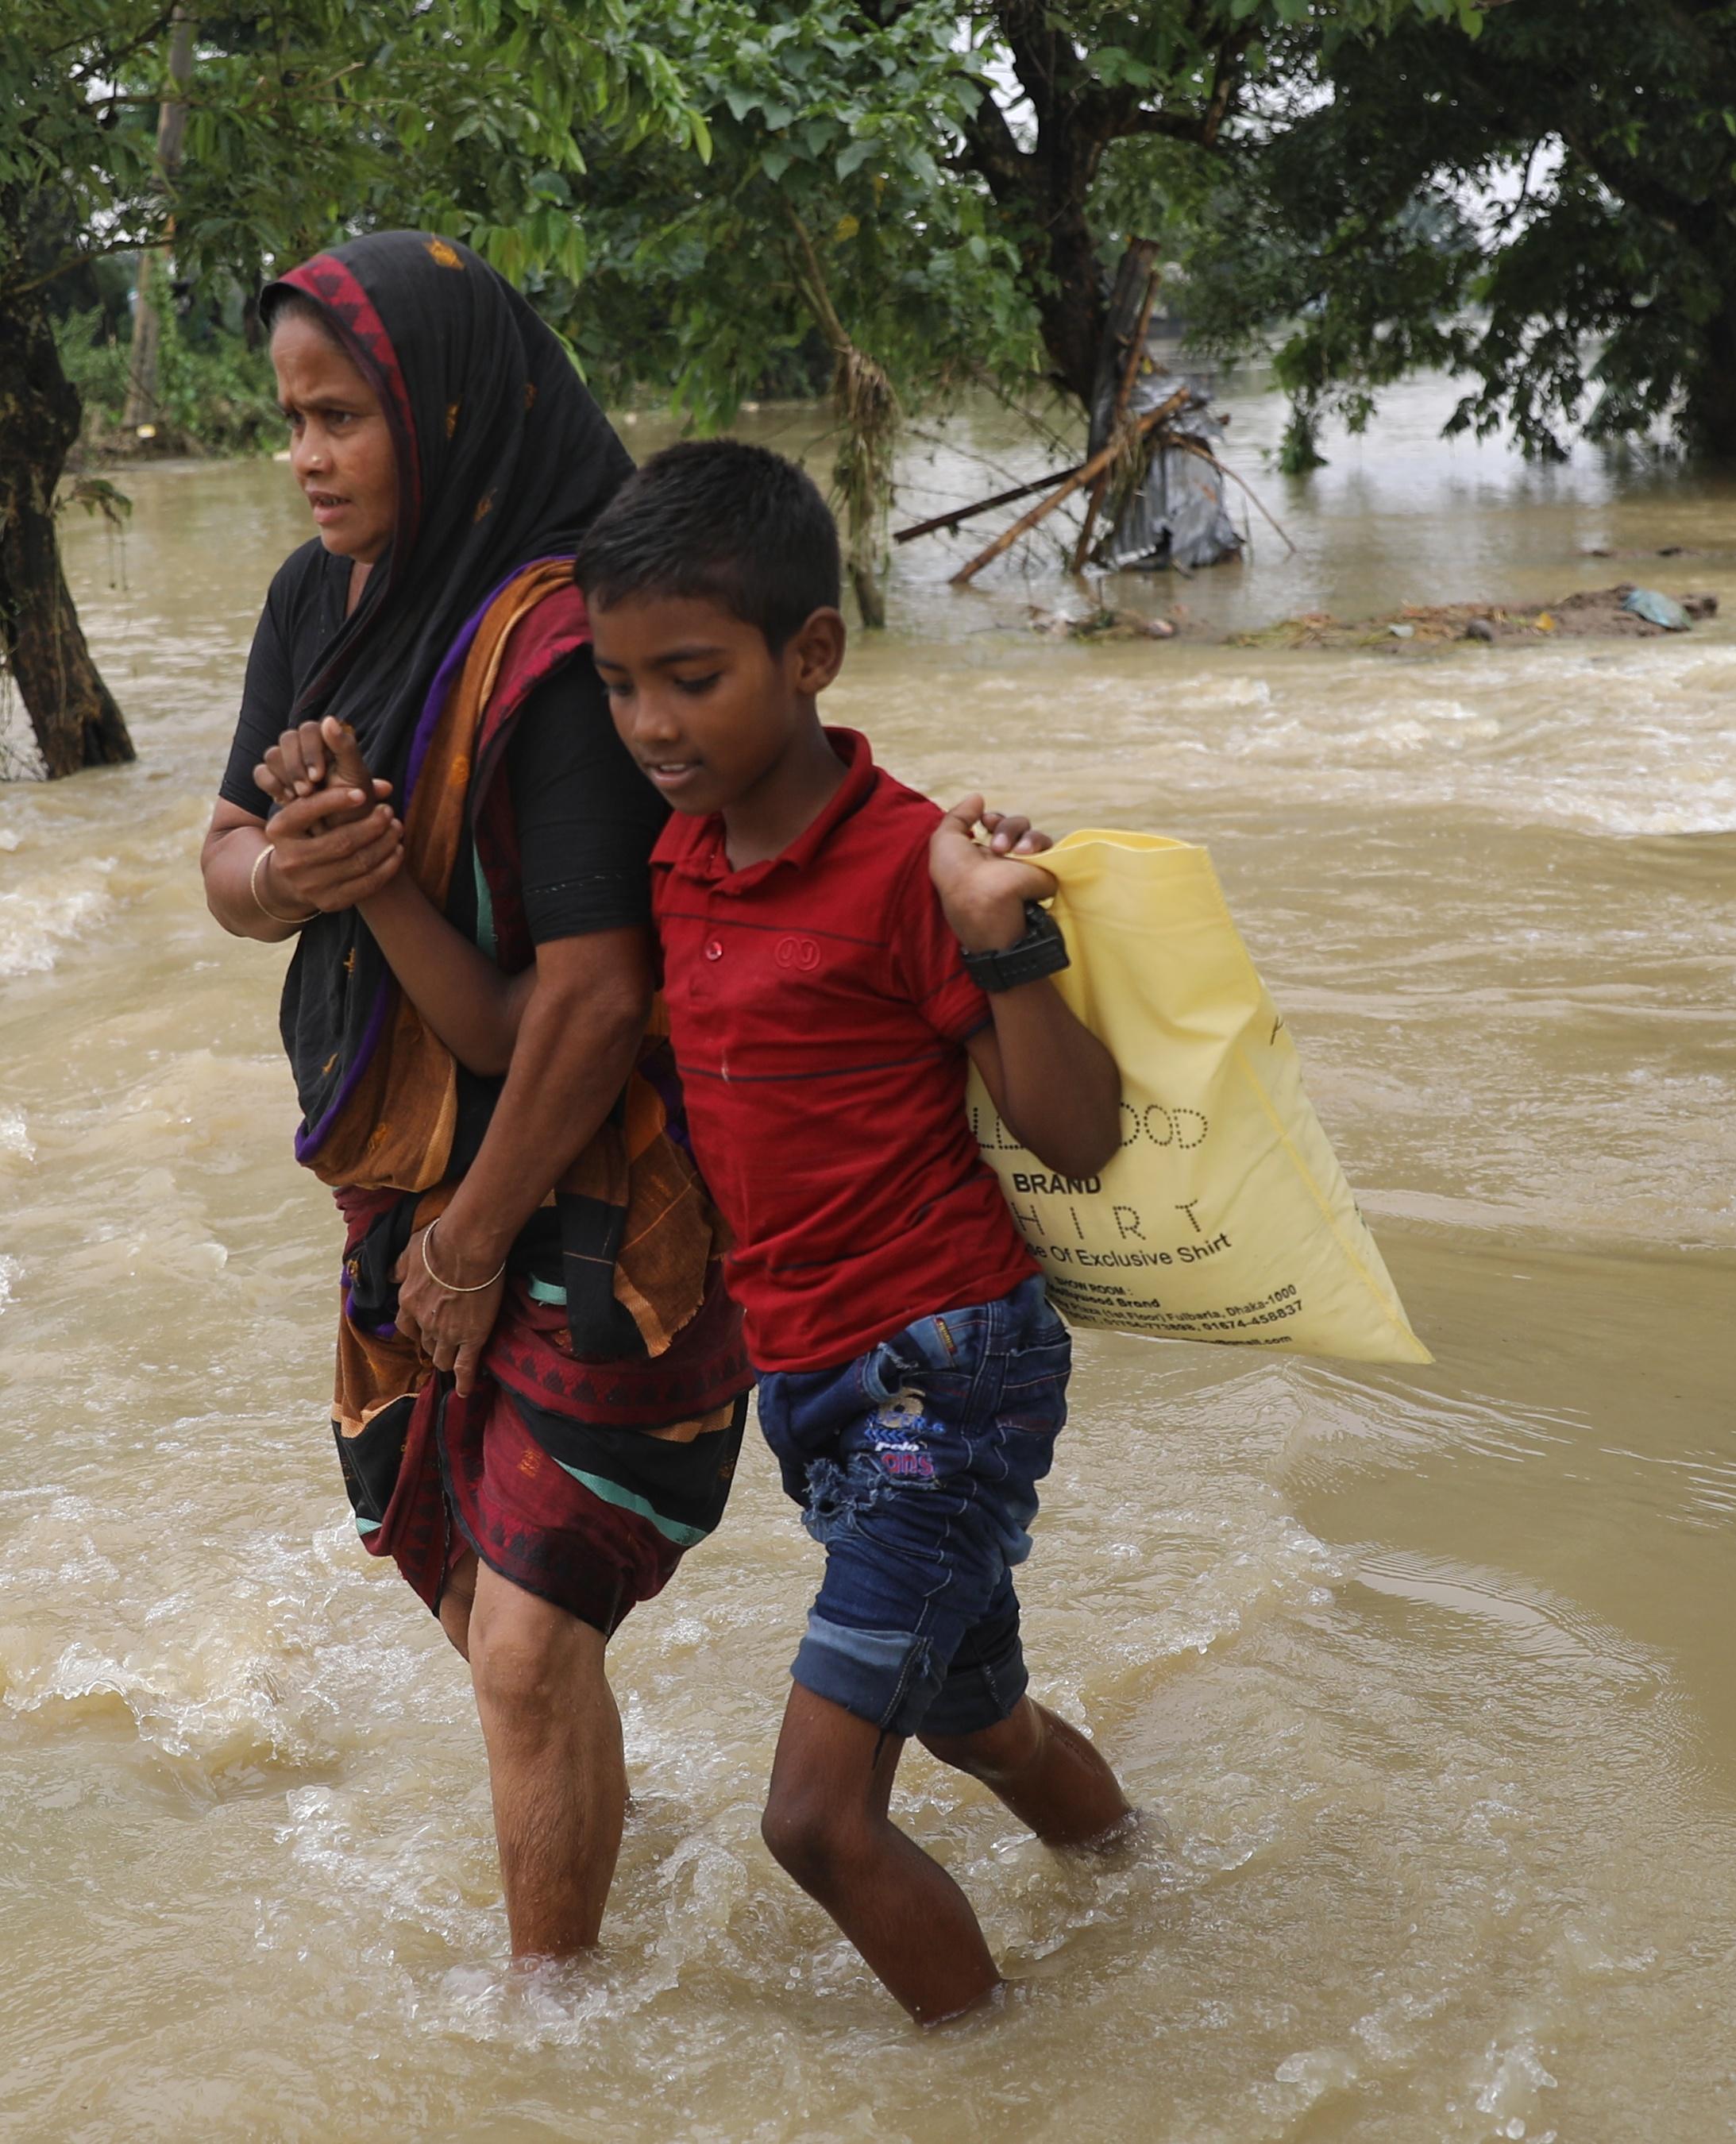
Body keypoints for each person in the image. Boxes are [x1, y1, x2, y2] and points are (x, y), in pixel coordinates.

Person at [195, 233, 750, 1961]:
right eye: (290, 420)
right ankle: (603, 1861)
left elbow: (589, 1001)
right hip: (405, 1177)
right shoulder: (319, 599)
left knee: (520, 1641)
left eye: (343, 416)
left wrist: (471, 1238)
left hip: (590, 1188)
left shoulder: (569, 637)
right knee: (474, 1600)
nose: (308, 457)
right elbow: (218, 860)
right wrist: (301, 872)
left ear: (441, 406)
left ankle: (554, 2036)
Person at [576, 442, 1134, 2023]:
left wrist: (1000, 935)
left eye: (688, 678)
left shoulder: (912, 863)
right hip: (808, 1382)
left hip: (944, 1367)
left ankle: (1011, 2079)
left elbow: (1078, 1136)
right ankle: (1146, 1874)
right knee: (978, 1721)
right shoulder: (677, 858)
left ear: (810, 653)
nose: (651, 726)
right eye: (620, 686)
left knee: (815, 1816)